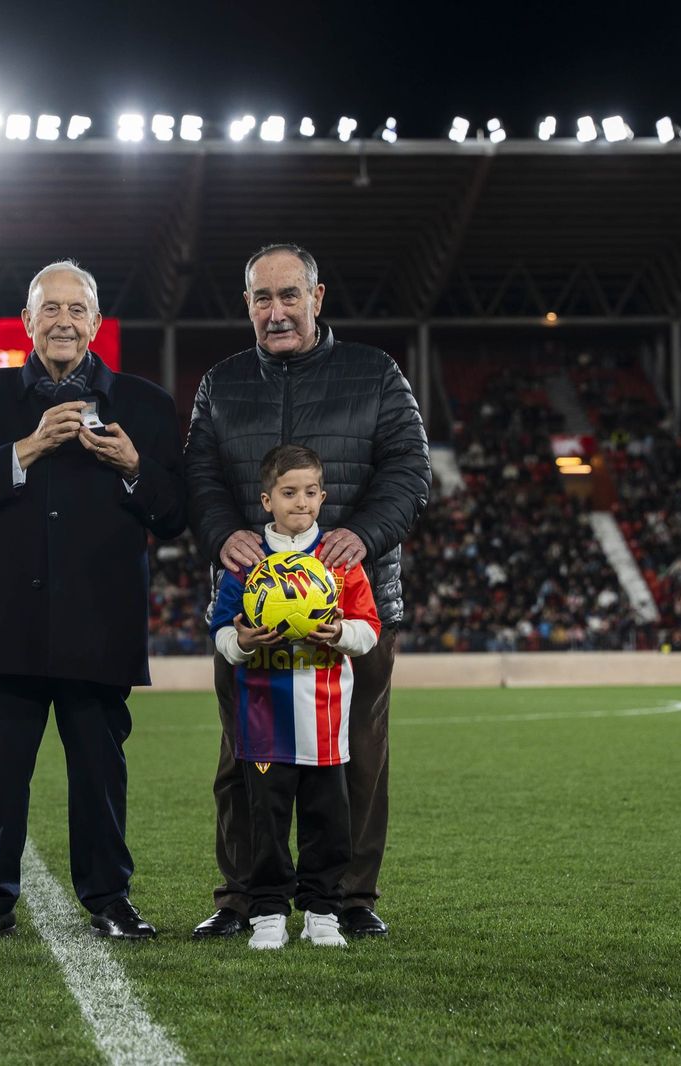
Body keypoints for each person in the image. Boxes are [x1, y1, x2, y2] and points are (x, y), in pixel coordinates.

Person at [0, 260, 187, 942]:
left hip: (99, 626)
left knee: (100, 776)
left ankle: (110, 898)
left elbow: (175, 515)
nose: (64, 321)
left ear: (97, 324)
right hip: (5, 623)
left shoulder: (146, 405)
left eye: (78, 310)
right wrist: (27, 447)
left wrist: (136, 466)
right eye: (51, 309)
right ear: (27, 321)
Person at [186, 243, 430, 940]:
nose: (276, 311)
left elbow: (410, 473)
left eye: (289, 295)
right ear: (247, 306)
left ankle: (350, 899)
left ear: (317, 298)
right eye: (262, 298)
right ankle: (242, 899)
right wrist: (221, 533)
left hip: (353, 606)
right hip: (248, 609)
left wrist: (364, 535)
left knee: (356, 756)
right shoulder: (221, 383)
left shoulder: (375, 374)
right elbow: (198, 475)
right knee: (243, 759)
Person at [209, 445, 381, 949]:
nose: (300, 502)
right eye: (289, 493)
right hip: (264, 719)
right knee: (266, 820)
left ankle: (322, 909)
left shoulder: (337, 560)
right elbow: (221, 631)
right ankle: (267, 911)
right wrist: (241, 642)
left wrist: (338, 634)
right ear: (267, 500)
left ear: (323, 497)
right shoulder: (246, 562)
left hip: (326, 719)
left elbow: (369, 630)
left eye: (310, 493)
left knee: (328, 822)